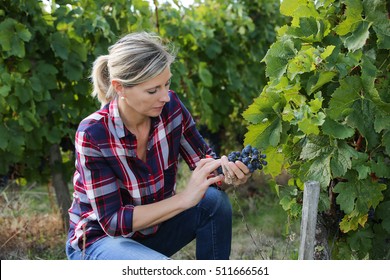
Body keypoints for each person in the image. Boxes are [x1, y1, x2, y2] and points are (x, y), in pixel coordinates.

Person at [65, 32, 251, 260]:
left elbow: (207, 167)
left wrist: (228, 175)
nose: (165, 96)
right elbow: (112, 222)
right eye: (153, 90)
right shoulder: (93, 133)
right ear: (120, 88)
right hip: (99, 243)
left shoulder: (171, 108)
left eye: (167, 83)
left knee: (215, 203)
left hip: (152, 233)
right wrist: (184, 198)